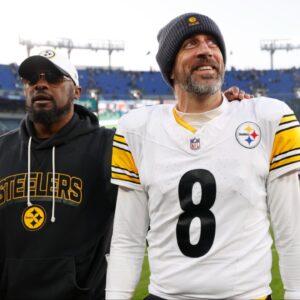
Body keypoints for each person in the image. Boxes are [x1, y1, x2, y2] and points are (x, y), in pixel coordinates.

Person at [106, 12, 300, 300]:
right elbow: (127, 239)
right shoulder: (137, 130)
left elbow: (292, 232)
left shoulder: (268, 117)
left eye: (212, 43)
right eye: (190, 44)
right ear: (170, 68)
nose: (206, 50)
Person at [0, 49, 117, 300]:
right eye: (32, 79)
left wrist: (222, 114)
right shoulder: (2, 150)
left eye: (53, 77)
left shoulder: (108, 147)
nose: (41, 84)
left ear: (76, 91)